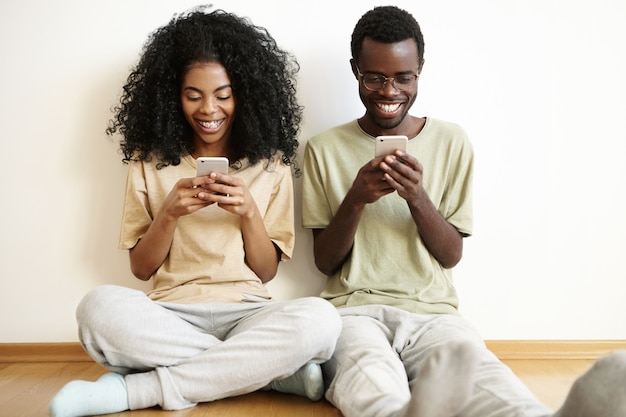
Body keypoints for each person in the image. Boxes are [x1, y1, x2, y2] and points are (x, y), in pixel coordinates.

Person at [302, 5, 626, 417]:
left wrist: (418, 198)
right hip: (353, 310)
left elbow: (451, 254)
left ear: (420, 70)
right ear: (355, 70)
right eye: (375, 77)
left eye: (404, 77)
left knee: (481, 372)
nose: (389, 91)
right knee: (365, 371)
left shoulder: (453, 142)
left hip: (434, 312)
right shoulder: (323, 149)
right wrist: (357, 198)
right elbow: (324, 261)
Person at [49, 7, 341, 417]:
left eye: (223, 95)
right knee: (95, 309)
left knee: (321, 318)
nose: (209, 109)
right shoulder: (148, 161)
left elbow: (266, 271)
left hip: (247, 313)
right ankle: (271, 375)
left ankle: (138, 391)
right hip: (169, 314)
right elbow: (141, 269)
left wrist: (249, 213)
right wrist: (168, 214)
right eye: (193, 95)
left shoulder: (270, 163)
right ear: (173, 96)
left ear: (244, 94)